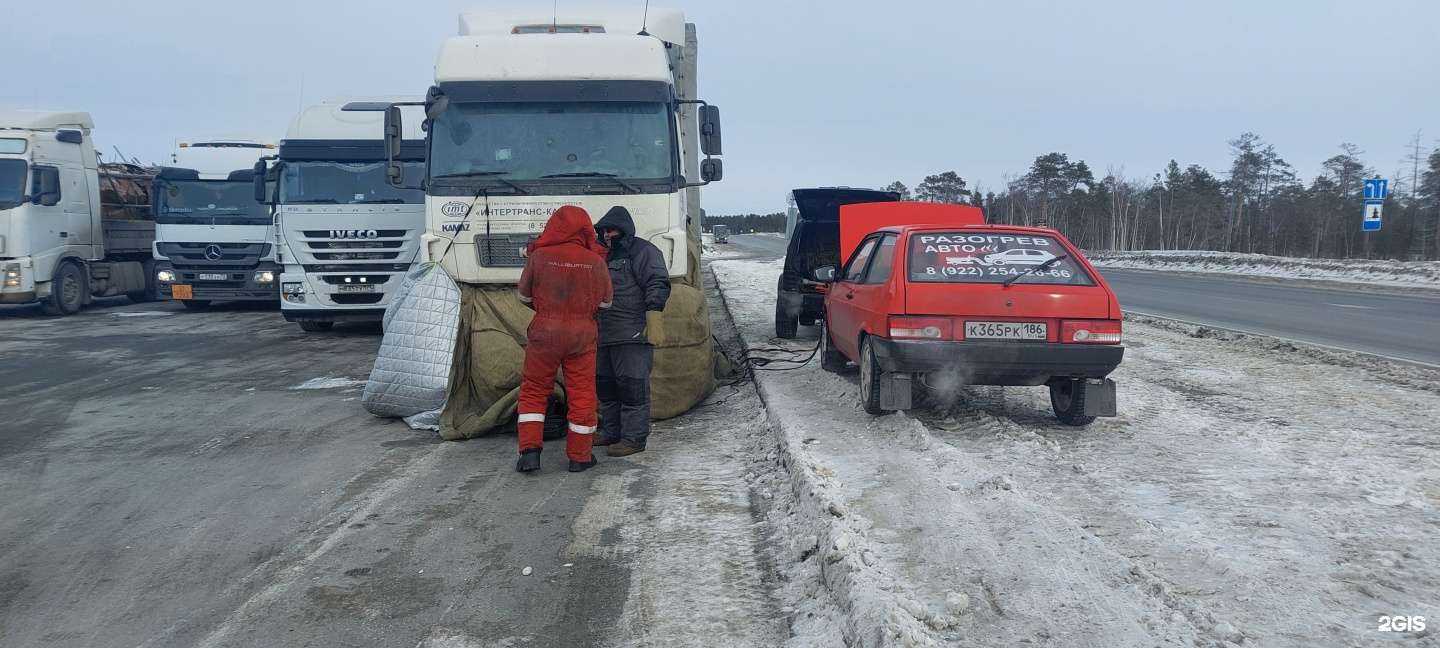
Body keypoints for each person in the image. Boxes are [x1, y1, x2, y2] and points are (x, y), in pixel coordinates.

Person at [515, 205, 613, 473]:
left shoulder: (539, 256)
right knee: (582, 393)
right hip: (582, 334)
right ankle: (580, 458)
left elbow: (523, 296)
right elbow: (606, 303)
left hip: (544, 333)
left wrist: (547, 311)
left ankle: (530, 453)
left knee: (534, 390)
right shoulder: (595, 261)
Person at [592, 206, 671, 457]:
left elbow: (657, 282)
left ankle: (634, 438)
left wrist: (654, 314)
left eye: (612, 230)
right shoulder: (597, 254)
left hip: (633, 334)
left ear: (623, 230)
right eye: (603, 231)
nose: (607, 235)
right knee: (606, 388)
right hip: (602, 334)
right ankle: (611, 432)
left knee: (632, 388)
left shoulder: (643, 251)